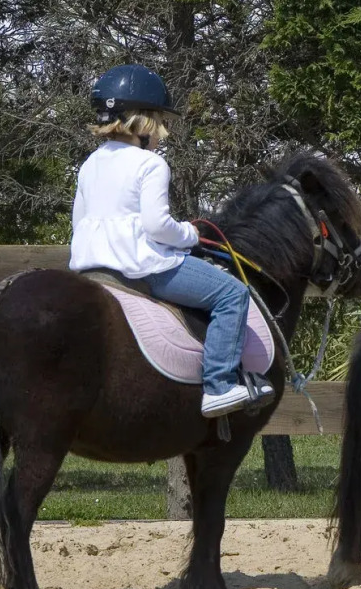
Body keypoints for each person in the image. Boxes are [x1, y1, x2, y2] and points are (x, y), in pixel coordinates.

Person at [70, 64, 272, 417]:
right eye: (161, 123)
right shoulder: (150, 164)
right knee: (232, 293)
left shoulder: (89, 164)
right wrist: (189, 234)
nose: (162, 133)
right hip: (141, 267)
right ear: (144, 122)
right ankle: (219, 385)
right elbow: (157, 226)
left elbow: (79, 221)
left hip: (91, 266)